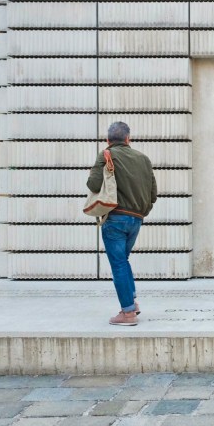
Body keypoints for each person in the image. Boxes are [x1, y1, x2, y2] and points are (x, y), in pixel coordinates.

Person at [87, 122, 157, 326]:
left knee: (118, 264)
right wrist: (142, 212)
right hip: (136, 218)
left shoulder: (107, 154)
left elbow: (93, 184)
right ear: (128, 139)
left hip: (115, 217)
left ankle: (127, 313)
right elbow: (153, 192)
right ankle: (132, 303)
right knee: (123, 262)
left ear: (108, 140)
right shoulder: (143, 159)